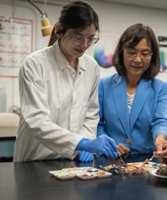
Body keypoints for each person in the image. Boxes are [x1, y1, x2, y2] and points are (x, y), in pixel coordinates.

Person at [13, 0, 117, 162]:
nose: (84, 45)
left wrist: (86, 141)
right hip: (35, 160)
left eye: (90, 39)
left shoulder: (92, 67)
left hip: (71, 160)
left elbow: (90, 114)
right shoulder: (35, 64)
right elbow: (37, 121)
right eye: (78, 37)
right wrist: (80, 143)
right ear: (59, 31)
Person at [97, 23, 167, 158]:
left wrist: (161, 138)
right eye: (131, 52)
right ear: (121, 52)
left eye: (145, 54)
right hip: (112, 159)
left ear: (152, 56)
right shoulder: (104, 85)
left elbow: (161, 120)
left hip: (147, 160)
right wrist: (108, 143)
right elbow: (96, 123)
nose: (138, 59)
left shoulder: (161, 88)